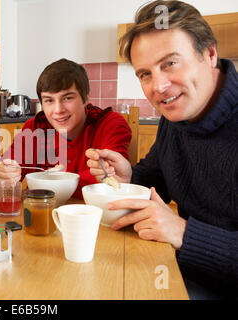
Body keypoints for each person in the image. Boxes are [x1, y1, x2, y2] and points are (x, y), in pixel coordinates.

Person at [86, 0, 237, 298]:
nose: (160, 87)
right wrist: (130, 177)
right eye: (145, 74)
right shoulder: (177, 115)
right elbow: (159, 179)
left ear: (209, 54)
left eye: (169, 63)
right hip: (180, 269)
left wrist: (183, 232)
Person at [0, 58, 131, 199]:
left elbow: (111, 179)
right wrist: (3, 175)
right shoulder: (34, 128)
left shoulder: (110, 124)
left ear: (86, 98)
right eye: (49, 100)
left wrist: (44, 183)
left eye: (67, 98)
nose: (58, 110)